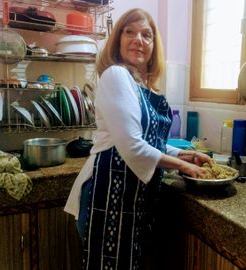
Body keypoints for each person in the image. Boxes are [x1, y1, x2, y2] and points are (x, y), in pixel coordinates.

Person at [64, 8, 212, 270]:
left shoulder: (145, 87)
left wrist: (183, 154)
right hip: (108, 196)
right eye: (129, 32)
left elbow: (149, 139)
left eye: (146, 35)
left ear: (154, 46)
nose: (138, 40)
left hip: (132, 199)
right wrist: (184, 167)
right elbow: (132, 146)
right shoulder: (116, 75)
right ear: (118, 40)